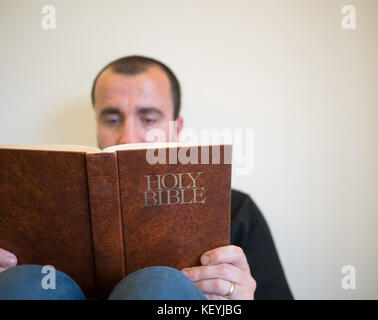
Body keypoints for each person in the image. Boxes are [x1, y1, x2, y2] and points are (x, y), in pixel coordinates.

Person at [0, 56, 293, 300]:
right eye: (112, 119)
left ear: (176, 129)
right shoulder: (23, 208)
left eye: (150, 118)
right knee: (29, 284)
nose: (128, 136)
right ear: (96, 124)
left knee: (159, 285)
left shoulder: (236, 210)